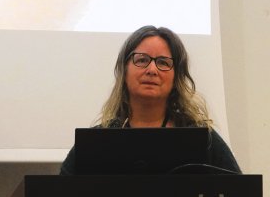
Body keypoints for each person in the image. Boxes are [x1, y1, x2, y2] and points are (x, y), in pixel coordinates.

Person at [60, 25, 240, 175]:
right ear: (124, 71)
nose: (152, 69)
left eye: (163, 62)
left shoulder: (203, 140)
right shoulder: (97, 142)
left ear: (176, 76)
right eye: (142, 60)